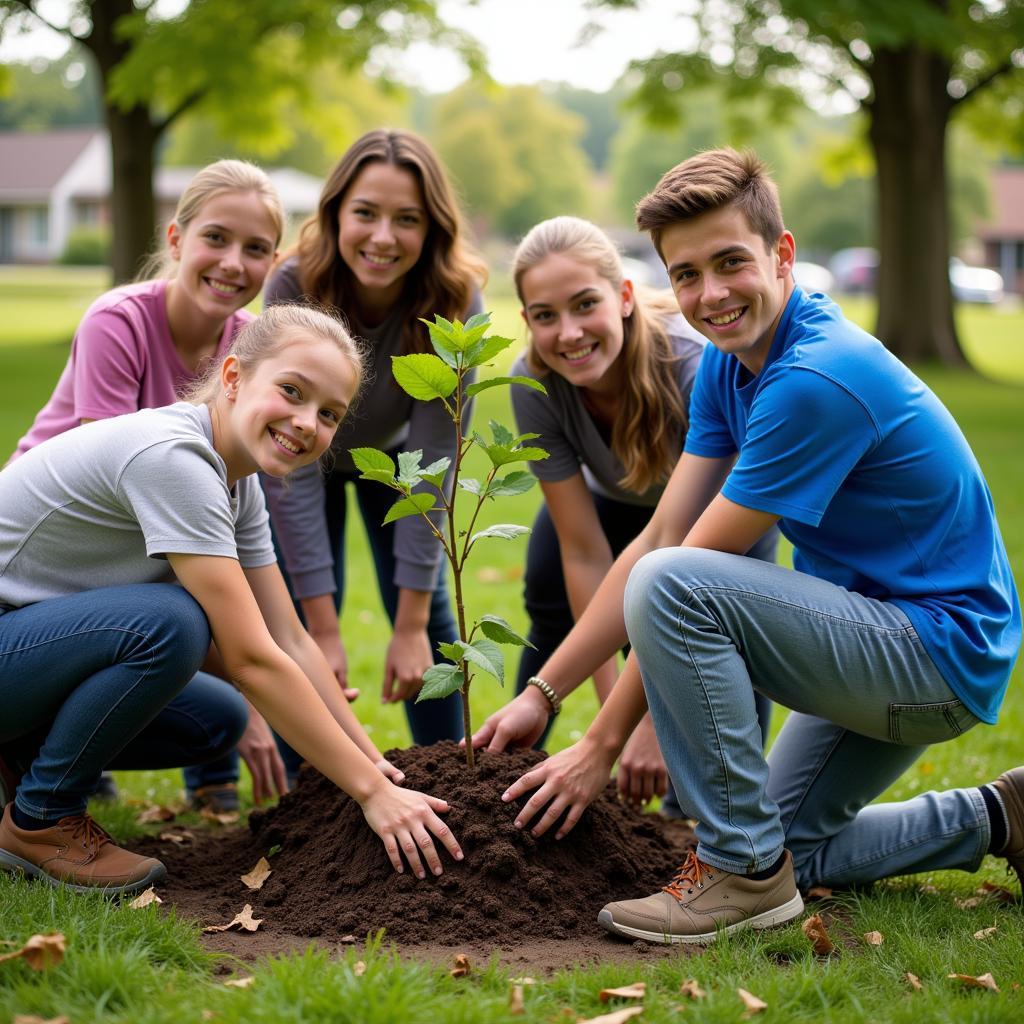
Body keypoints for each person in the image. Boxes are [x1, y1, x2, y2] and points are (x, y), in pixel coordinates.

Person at [472, 148, 1022, 944]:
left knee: (674, 586)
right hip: (885, 635)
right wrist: (542, 694)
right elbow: (664, 532)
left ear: (783, 254)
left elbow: (682, 576)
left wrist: (600, 745)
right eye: (687, 274)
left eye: (731, 262)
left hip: (934, 651)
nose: (711, 294)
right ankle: (1000, 815)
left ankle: (738, 874)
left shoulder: (813, 378)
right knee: (798, 848)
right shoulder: (732, 371)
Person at [0, 304, 464, 896]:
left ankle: (17, 759)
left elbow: (289, 639)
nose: (305, 422)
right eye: (291, 391)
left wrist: (373, 765)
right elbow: (251, 657)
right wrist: (372, 795)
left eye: (328, 414)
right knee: (171, 626)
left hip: (23, 647)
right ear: (233, 377)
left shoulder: (236, 485)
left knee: (214, 719)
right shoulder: (173, 458)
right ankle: (40, 821)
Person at [8, 159, 287, 814]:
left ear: (274, 261)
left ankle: (31, 749)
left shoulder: (249, 349)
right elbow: (138, 506)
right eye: (215, 237)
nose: (231, 262)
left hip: (125, 573)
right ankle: (43, 804)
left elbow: (226, 527)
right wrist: (258, 679)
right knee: (178, 617)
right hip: (50, 574)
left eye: (255, 249)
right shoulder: (120, 322)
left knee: (216, 710)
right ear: (175, 241)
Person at [508, 215, 775, 810]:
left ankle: (715, 819)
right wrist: (612, 724)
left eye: (585, 305)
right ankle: (515, 782)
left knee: (721, 652)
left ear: (624, 297)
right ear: (526, 321)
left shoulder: (696, 366)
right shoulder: (533, 382)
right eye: (546, 316)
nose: (569, 333)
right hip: (608, 512)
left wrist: (653, 723)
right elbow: (584, 550)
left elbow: (684, 551)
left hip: (715, 524)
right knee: (552, 594)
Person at [261, 128, 487, 760]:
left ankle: (453, 777)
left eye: (406, 219)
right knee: (295, 630)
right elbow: (288, 463)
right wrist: (323, 632)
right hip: (299, 453)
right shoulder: (293, 287)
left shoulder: (453, 300)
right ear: (335, 214)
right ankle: (304, 798)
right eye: (366, 213)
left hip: (398, 455)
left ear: (432, 229)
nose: (383, 237)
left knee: (431, 622)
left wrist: (410, 624)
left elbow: (437, 449)